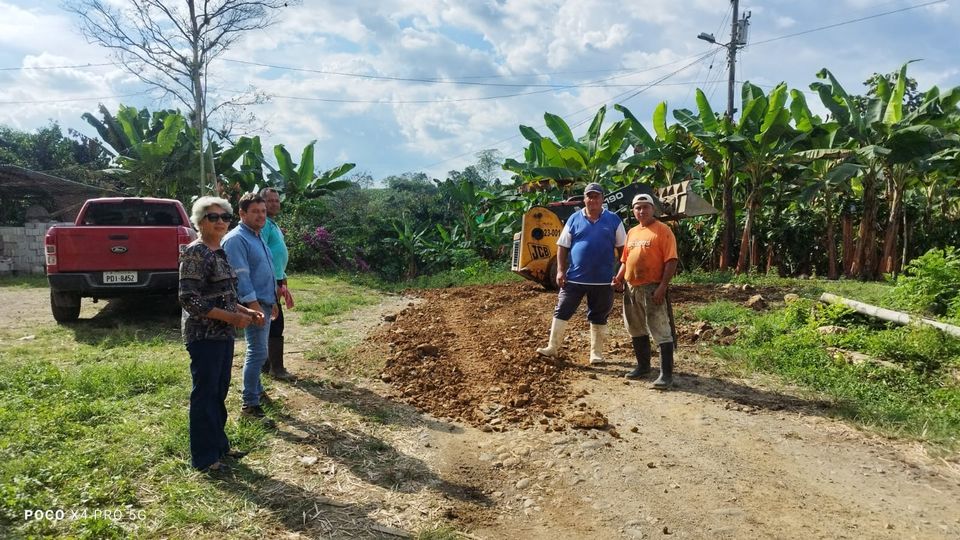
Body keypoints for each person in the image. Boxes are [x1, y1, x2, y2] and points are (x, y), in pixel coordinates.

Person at [179, 196, 264, 471]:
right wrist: (232, 317)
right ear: (199, 221)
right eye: (213, 217)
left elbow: (225, 296)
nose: (220, 222)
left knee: (219, 391)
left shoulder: (220, 251)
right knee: (205, 394)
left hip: (223, 335)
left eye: (225, 217)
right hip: (204, 335)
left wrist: (246, 312)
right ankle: (205, 458)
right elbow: (189, 299)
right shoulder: (195, 253)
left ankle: (219, 447)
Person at [537, 182, 626, 364]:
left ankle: (596, 353)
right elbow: (562, 246)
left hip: (603, 280)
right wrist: (560, 271)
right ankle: (552, 347)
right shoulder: (574, 219)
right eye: (589, 196)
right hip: (575, 278)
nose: (593, 200)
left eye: (596, 196)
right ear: (584, 199)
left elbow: (623, 249)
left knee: (599, 315)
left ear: (602, 199)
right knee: (562, 309)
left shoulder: (614, 220)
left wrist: (620, 275)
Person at [612, 193, 679, 389]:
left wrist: (662, 286)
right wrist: (618, 278)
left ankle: (666, 375)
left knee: (660, 329)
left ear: (653, 209)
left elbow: (671, 260)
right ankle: (643, 367)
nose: (641, 211)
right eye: (638, 208)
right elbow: (625, 260)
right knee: (635, 327)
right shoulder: (632, 232)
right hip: (631, 288)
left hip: (652, 287)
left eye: (645, 207)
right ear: (633, 211)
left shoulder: (663, 230)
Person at [223, 192, 278, 421]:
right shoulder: (237, 239)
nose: (261, 215)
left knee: (259, 350)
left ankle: (256, 390)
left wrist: (272, 301)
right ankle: (249, 405)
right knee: (258, 352)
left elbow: (266, 270)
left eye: (263, 211)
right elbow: (241, 277)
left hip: (265, 301)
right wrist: (254, 305)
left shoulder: (256, 236)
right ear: (242, 213)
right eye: (255, 211)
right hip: (251, 304)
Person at [260, 188, 296, 381]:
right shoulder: (264, 224)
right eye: (270, 201)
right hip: (269, 280)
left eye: (276, 200)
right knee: (275, 322)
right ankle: (276, 368)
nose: (274, 204)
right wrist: (273, 280)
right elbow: (262, 253)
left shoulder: (272, 224)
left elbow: (277, 255)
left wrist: (283, 277)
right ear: (262, 203)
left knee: (272, 321)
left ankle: (266, 365)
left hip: (277, 278)